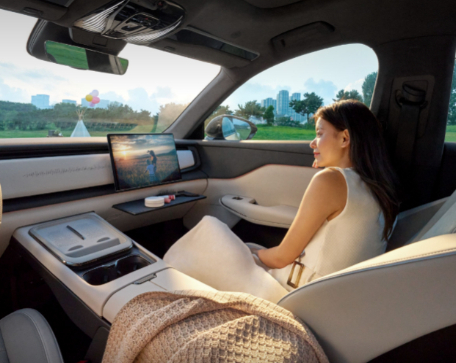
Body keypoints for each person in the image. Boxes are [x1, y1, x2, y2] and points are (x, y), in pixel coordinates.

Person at [164, 100, 400, 303]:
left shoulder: (331, 180)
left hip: (295, 295)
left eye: (319, 134)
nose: (312, 143)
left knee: (211, 229)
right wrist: (252, 251)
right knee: (246, 245)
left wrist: (249, 253)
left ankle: (163, 290)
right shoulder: (381, 188)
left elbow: (281, 258)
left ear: (345, 138)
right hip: (331, 297)